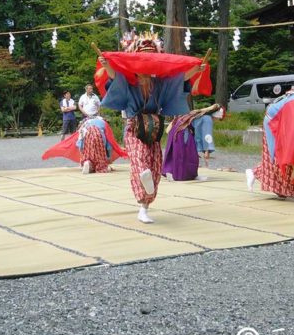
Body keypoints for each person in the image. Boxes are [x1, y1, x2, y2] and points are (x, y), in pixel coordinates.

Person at [97, 30, 209, 223]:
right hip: (134, 128)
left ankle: (144, 208)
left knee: (155, 165)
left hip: (154, 129)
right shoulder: (130, 81)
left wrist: (196, 70)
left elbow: (179, 80)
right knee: (140, 160)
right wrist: (107, 65)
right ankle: (142, 178)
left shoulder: (159, 83)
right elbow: (115, 77)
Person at [43, 115, 127, 174]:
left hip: (87, 136)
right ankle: (101, 166)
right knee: (101, 161)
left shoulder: (85, 124)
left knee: (88, 155)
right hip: (99, 136)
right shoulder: (104, 124)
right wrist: (108, 157)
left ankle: (87, 162)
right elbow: (109, 142)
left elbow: (80, 141)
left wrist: (82, 155)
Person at [162, 104, 221, 182]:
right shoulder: (207, 119)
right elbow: (207, 134)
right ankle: (181, 175)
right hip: (183, 131)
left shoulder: (198, 114)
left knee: (178, 153)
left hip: (176, 129)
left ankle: (172, 172)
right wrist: (207, 151)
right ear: (216, 116)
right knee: (185, 154)